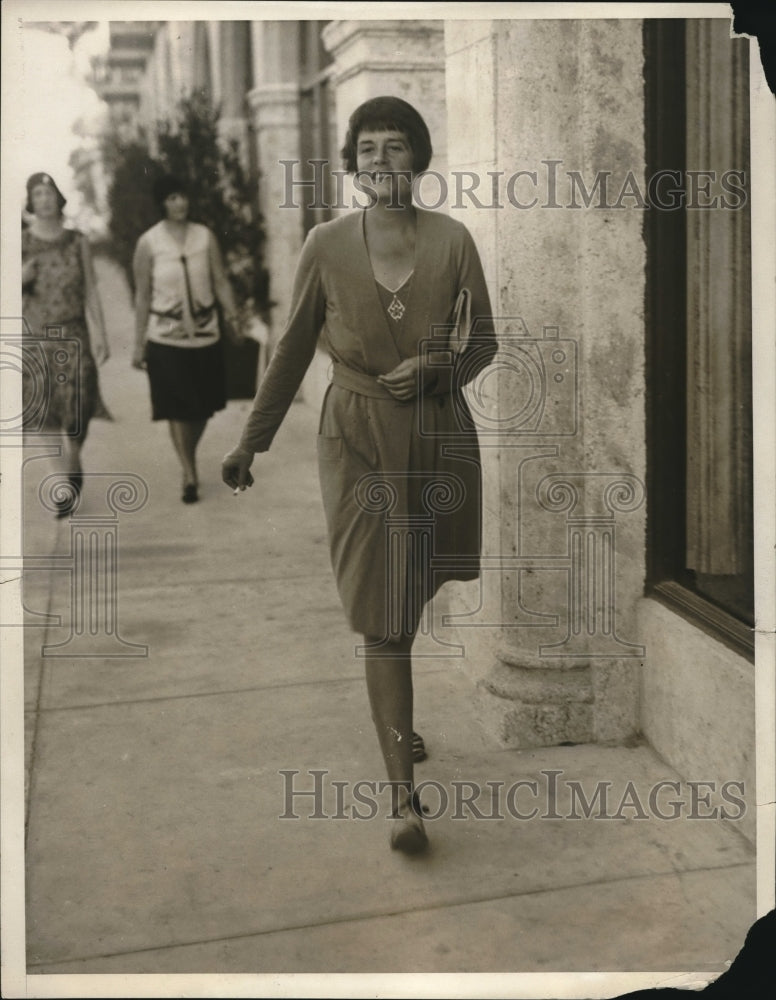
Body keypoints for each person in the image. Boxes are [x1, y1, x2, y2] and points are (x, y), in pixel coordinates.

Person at [222, 97, 497, 853]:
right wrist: (253, 440)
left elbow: (486, 343)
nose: (381, 160)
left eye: (396, 146)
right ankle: (404, 802)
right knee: (383, 614)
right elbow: (290, 349)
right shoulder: (327, 243)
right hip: (355, 441)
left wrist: (442, 364)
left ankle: (397, 727)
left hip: (436, 437)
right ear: (353, 161)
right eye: (367, 147)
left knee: (407, 599)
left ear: (420, 157)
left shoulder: (453, 241)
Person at [132, 175, 242, 503]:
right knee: (177, 407)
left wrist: (234, 316)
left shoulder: (204, 237)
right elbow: (142, 295)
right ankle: (189, 472)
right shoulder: (148, 243)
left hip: (206, 333)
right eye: (171, 198)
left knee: (203, 406)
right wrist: (138, 343)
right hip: (166, 337)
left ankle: (188, 457)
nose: (179, 203)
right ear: (162, 202)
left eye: (182, 196)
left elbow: (220, 280)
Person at [22, 172, 111, 517]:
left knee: (79, 406)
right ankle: (61, 484)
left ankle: (73, 460)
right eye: (37, 194)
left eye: (48, 192)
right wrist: (18, 276)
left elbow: (91, 288)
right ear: (31, 203)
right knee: (44, 411)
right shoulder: (20, 243)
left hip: (75, 335)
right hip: (36, 338)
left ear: (58, 198)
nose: (43, 199)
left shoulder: (78, 241)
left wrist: (101, 332)